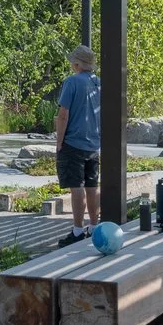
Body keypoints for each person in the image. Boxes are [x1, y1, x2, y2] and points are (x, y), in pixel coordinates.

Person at [52, 45, 101, 235]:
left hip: (73, 143)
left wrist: (59, 142)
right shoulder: (98, 83)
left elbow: (63, 114)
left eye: (73, 61)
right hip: (93, 144)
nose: (72, 64)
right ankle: (94, 226)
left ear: (78, 64)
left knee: (76, 187)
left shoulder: (72, 82)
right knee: (92, 186)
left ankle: (78, 231)